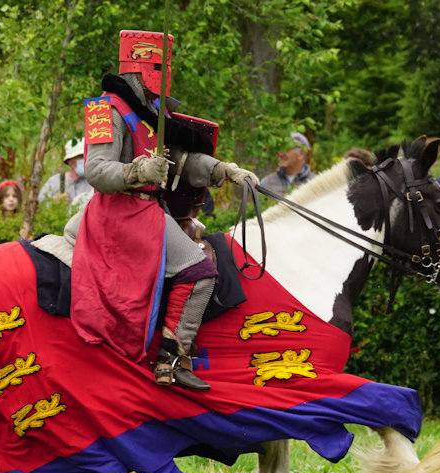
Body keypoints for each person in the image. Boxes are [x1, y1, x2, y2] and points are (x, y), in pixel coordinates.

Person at [32, 30, 257, 391]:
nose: (165, 74)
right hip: (120, 212)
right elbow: (97, 170)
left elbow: (183, 159)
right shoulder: (103, 109)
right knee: (200, 272)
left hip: (149, 211)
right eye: (160, 66)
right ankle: (171, 361)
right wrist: (137, 170)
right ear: (143, 67)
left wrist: (224, 170)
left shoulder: (155, 111)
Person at [37, 139, 93, 208]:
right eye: (81, 157)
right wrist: (55, 203)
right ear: (70, 161)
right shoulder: (54, 182)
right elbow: (40, 206)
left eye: (86, 156)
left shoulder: (92, 181)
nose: (85, 160)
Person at [259, 131, 315, 196]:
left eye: (286, 148)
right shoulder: (266, 182)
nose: (280, 153)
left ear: (301, 154)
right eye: (279, 148)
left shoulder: (316, 183)